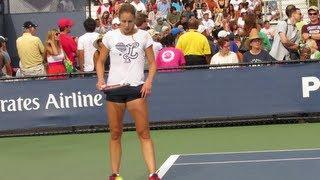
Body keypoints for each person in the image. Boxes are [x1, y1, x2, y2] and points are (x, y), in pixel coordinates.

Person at [95, 3, 160, 180]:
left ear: (135, 20)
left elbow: (152, 63)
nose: (126, 24)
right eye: (123, 21)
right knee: (115, 134)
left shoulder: (144, 36)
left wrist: (149, 82)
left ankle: (153, 173)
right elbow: (100, 61)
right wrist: (100, 79)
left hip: (135, 90)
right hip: (114, 91)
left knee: (144, 133)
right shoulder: (110, 36)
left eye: (130, 21)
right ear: (119, 19)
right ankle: (115, 174)